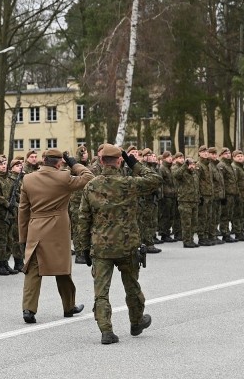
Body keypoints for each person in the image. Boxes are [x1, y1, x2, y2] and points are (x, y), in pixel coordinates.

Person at [75, 144, 159, 345]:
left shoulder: (91, 185)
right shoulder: (129, 183)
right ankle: (136, 322)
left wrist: (83, 248)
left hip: (101, 247)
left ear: (101, 161)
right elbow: (155, 179)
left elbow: (83, 219)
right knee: (132, 286)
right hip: (127, 245)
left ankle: (106, 331)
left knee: (101, 291)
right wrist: (134, 162)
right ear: (119, 161)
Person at [19, 148, 93, 324]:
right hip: (58, 229)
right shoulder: (64, 177)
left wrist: (23, 238)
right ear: (60, 162)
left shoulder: (28, 179)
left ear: (43, 160)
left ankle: (28, 309)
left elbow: (23, 211)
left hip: (36, 229)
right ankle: (69, 306)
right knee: (63, 268)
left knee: (33, 270)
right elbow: (89, 177)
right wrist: (74, 163)